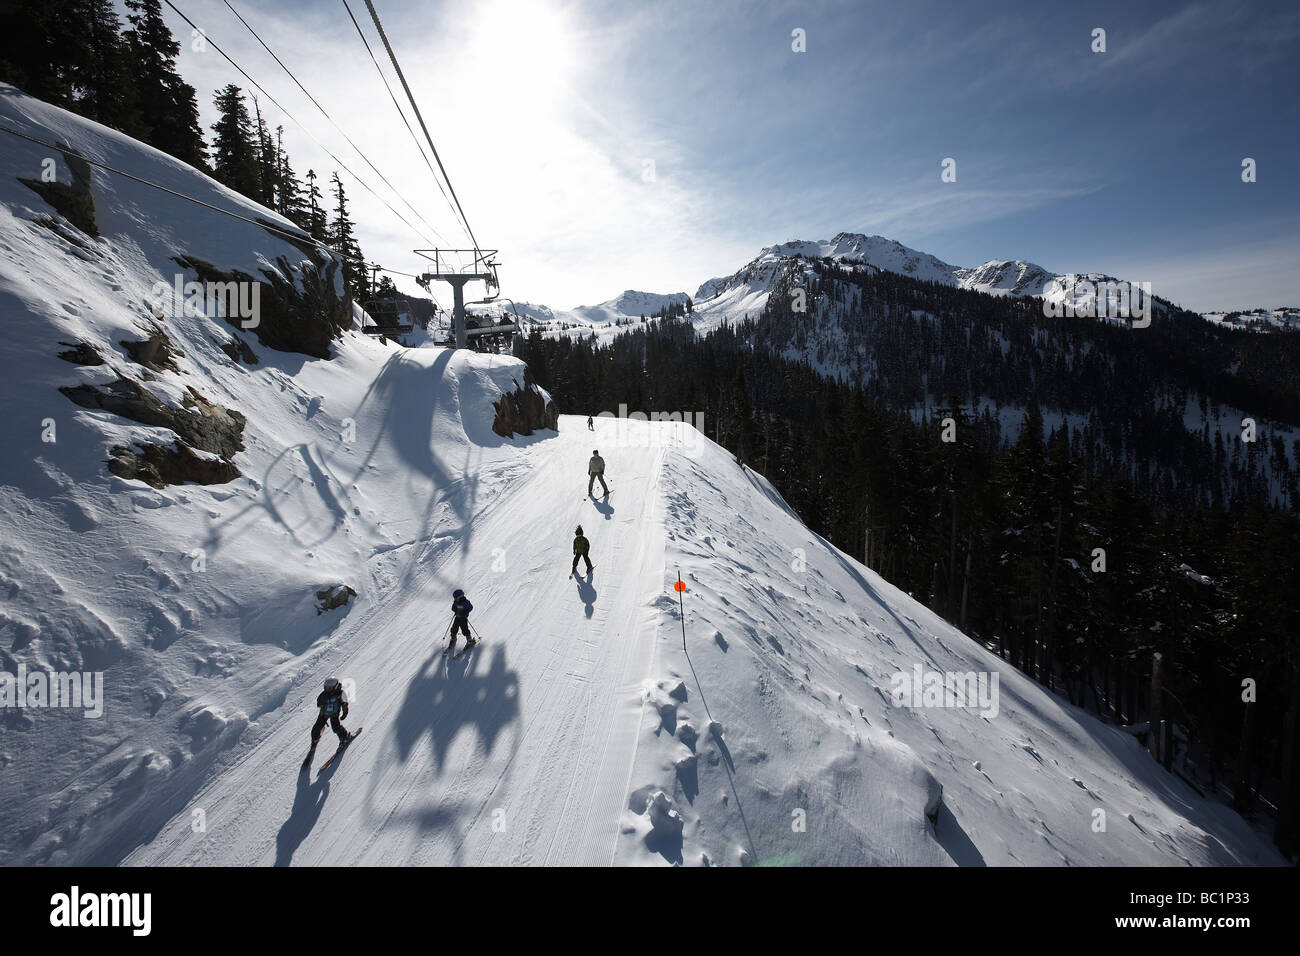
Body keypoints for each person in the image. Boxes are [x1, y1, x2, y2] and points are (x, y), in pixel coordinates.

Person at [304, 677, 354, 767]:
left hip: (334, 714)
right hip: (323, 714)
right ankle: (315, 739)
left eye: (329, 688)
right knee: (316, 728)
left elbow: (345, 704)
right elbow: (318, 703)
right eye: (326, 688)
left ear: (335, 687)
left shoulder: (340, 694)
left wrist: (345, 713)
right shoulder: (324, 694)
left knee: (336, 728)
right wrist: (322, 701)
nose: (327, 689)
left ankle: (344, 737)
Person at [447, 588, 474, 656]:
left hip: (463, 618)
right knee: (454, 627)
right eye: (455, 598)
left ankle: (469, 640)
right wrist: (455, 609)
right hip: (457, 617)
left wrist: (465, 612)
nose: (455, 599)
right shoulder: (456, 602)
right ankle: (453, 637)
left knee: (464, 629)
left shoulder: (465, 602)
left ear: (461, 596)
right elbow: (453, 607)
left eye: (457, 598)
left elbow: (471, 607)